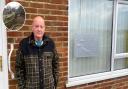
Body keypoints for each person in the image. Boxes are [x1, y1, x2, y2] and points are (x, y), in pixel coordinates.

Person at [15, 16, 59, 89]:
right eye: (36, 26)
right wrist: (22, 86)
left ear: (44, 29)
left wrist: (55, 83)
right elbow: (19, 68)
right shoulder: (24, 44)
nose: (39, 29)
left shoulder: (51, 44)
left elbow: (56, 63)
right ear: (32, 28)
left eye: (41, 27)